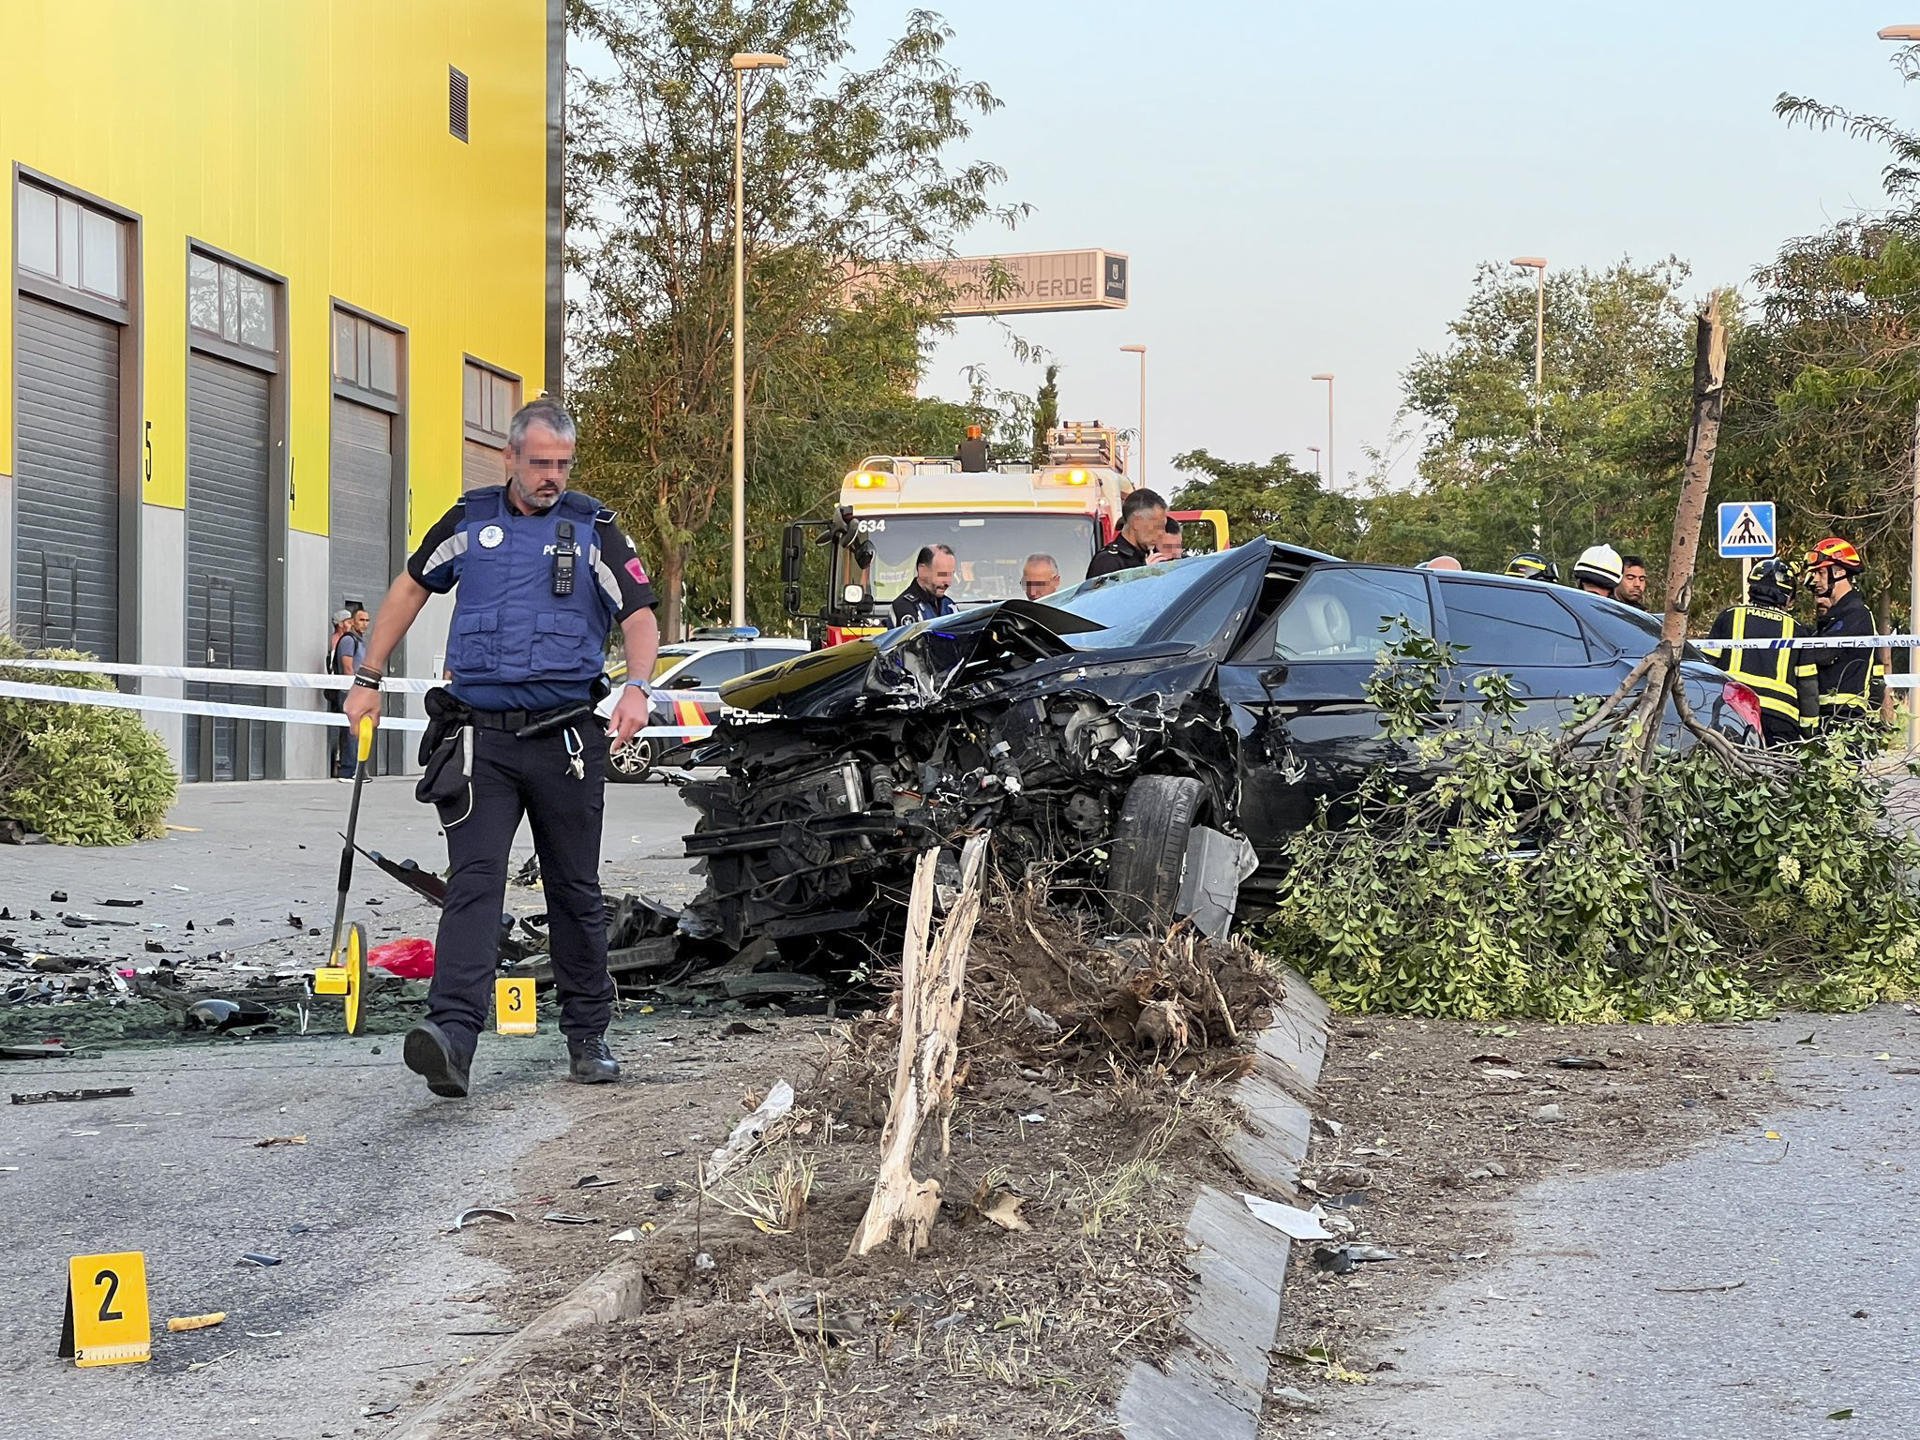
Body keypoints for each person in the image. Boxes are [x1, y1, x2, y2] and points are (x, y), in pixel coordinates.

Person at [344, 398, 660, 1100]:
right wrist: (368, 677)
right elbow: (409, 587)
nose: (552, 476)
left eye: (563, 464)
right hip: (480, 740)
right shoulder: (468, 521)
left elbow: (640, 616)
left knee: (573, 889)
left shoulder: (595, 530)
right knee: (474, 885)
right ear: (509, 457)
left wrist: (638, 688)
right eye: (540, 462)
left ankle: (588, 1036)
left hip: (567, 739)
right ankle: (451, 1039)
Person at [1701, 559, 1817, 747]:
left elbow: (1706, 666)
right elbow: (1808, 687)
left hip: (1733, 711)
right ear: (1788, 598)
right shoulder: (1798, 630)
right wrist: (1810, 730)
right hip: (1780, 719)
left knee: (1730, 769)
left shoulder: (1730, 616)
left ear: (1752, 587)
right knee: (1781, 773)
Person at [1801, 536, 1885, 734]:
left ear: (1839, 572)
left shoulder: (1855, 613)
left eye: (1820, 572)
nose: (1815, 580)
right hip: (1829, 715)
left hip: (1845, 718)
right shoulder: (1837, 615)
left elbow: (1823, 653)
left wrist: (1796, 636)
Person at [1086, 488, 1168, 578]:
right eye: (1157, 526)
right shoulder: (1108, 562)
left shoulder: (1148, 557)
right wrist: (1143, 576)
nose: (1162, 533)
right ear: (1136, 522)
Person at [326, 607, 369, 779]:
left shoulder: (359, 641)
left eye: (367, 620)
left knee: (358, 731)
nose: (364, 624)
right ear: (352, 622)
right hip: (349, 692)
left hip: (360, 691)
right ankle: (348, 770)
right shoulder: (349, 641)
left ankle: (356, 769)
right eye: (361, 620)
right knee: (351, 731)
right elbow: (348, 668)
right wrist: (354, 692)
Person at [890, 545, 958, 625]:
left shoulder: (949, 605)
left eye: (951, 575)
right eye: (942, 574)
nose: (948, 583)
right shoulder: (904, 606)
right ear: (922, 570)